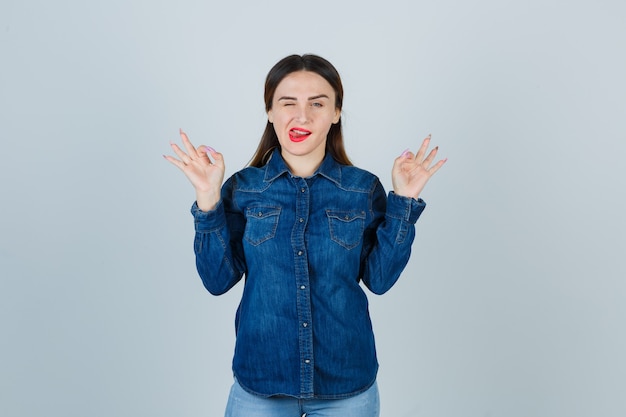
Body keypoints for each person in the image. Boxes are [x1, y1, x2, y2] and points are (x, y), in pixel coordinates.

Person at [164, 54, 446, 417]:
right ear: (269, 111)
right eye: (288, 103)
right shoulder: (243, 189)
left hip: (346, 385)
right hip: (261, 383)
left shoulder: (361, 189)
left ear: (336, 112)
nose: (303, 116)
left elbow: (379, 279)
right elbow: (217, 280)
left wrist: (404, 202)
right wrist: (208, 201)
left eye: (317, 103)